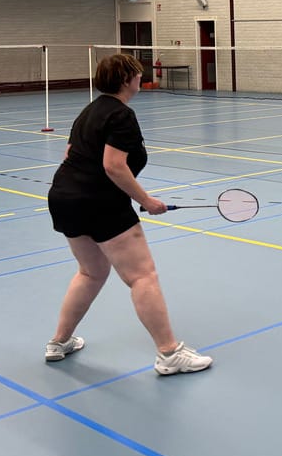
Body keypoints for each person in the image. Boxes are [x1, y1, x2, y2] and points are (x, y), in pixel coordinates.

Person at [45, 53, 212, 375]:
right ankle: (169, 353)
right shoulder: (121, 115)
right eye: (137, 74)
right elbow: (113, 166)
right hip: (99, 202)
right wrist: (146, 200)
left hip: (64, 197)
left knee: (91, 273)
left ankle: (59, 341)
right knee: (142, 276)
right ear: (126, 80)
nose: (140, 78)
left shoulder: (90, 111)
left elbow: (69, 154)